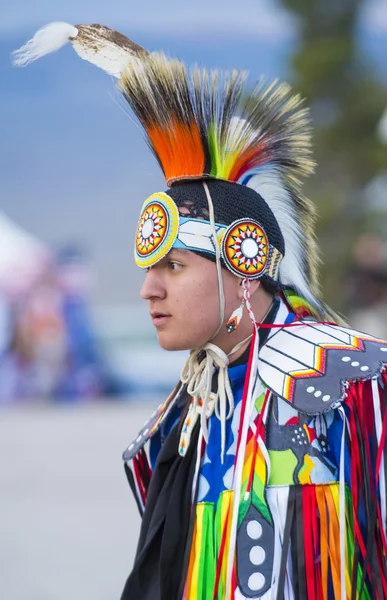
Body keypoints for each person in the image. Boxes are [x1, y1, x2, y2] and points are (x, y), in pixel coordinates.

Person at [14, 23, 387, 600]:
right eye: (147, 269)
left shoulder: (352, 381)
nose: (148, 290)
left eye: (174, 267)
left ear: (242, 265)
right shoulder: (188, 415)